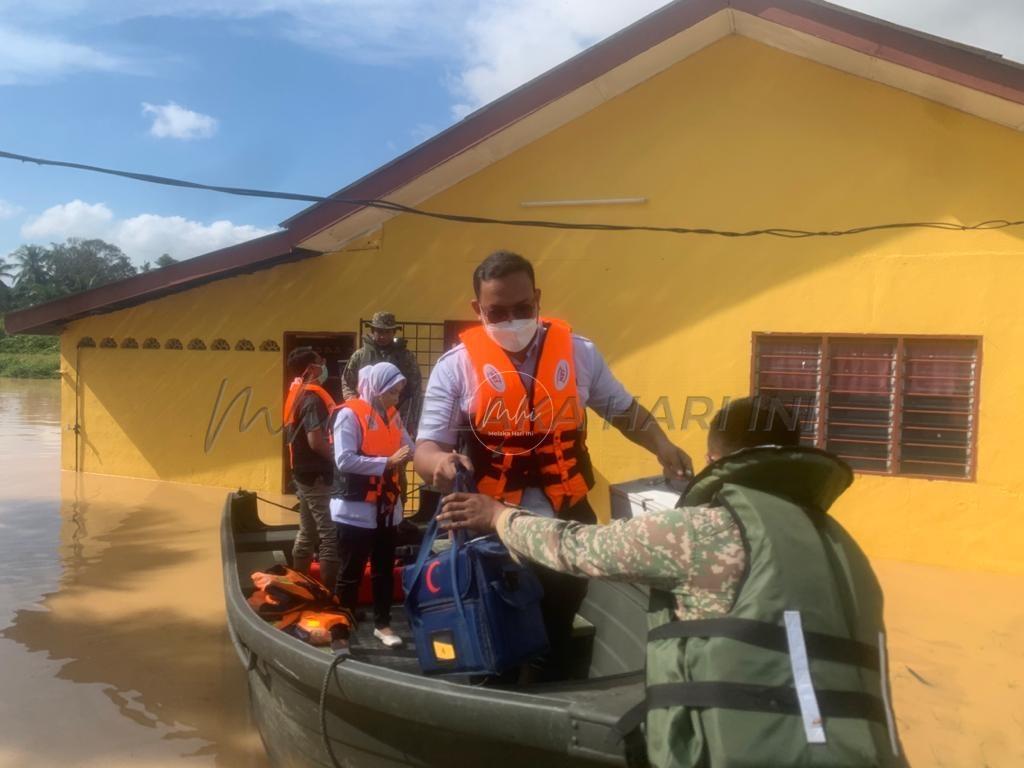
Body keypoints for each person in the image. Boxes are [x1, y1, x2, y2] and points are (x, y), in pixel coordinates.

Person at [437, 397, 906, 768]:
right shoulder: (844, 550)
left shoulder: (709, 528)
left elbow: (577, 549)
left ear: (714, 457)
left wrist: (497, 514)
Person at [414, 250, 693, 680]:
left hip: (565, 522)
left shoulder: (579, 354)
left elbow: (623, 411)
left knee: (557, 630)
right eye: (497, 312)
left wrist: (662, 444)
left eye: (522, 308)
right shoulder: (456, 367)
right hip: (488, 526)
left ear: (538, 298)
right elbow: (426, 447)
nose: (511, 320)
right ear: (478, 310)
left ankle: (552, 705)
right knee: (493, 638)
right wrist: (441, 463)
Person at [331, 362, 415, 650]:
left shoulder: (394, 416)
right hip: (355, 509)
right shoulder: (348, 416)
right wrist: (387, 462)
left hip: (387, 506)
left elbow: (410, 447)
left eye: (400, 390)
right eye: (393, 391)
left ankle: (383, 623)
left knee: (383, 569)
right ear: (378, 389)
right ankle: (340, 631)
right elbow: (344, 460)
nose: (398, 396)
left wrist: (432, 454)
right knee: (350, 573)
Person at [283, 346, 340, 591]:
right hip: (317, 474)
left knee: (307, 532)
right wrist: (340, 461)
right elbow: (316, 441)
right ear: (311, 369)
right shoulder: (312, 399)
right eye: (320, 361)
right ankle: (329, 597)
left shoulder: (296, 394)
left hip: (302, 473)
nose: (324, 363)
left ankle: (297, 588)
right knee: (330, 535)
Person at [342, 312, 423, 435]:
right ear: (373, 331)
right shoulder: (360, 356)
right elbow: (347, 383)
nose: (383, 336)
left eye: (387, 332)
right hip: (366, 414)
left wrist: (412, 418)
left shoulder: (406, 357)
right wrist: (355, 405)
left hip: (398, 413)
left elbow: (415, 388)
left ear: (394, 332)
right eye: (379, 332)